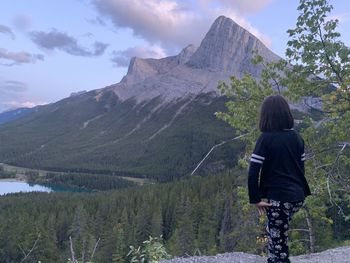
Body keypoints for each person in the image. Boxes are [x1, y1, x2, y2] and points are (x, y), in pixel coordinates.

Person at [248, 95, 311, 263]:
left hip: (278, 198)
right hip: (297, 196)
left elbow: (253, 170)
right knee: (275, 231)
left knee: (279, 244)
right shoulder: (297, 137)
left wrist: (255, 199)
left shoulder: (266, 138)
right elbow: (301, 168)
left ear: (266, 115)